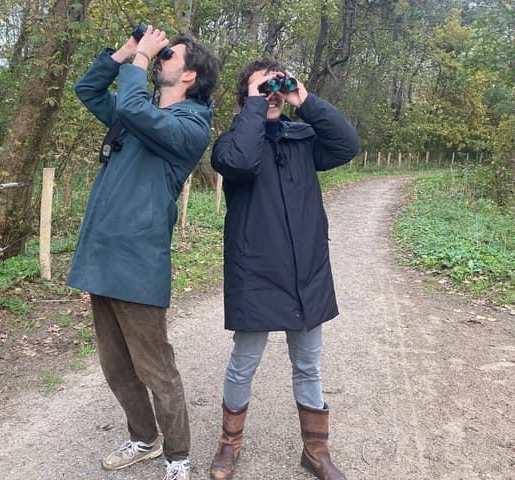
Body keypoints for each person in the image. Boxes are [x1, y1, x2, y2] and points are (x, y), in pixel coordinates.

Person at [66, 24, 219, 480]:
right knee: (115, 365)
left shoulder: (191, 127)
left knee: (156, 368)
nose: (161, 57)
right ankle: (144, 437)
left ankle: (178, 458)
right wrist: (125, 51)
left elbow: (131, 104)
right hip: (101, 255)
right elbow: (88, 88)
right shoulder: (139, 113)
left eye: (170, 55)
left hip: (138, 261)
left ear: (189, 75)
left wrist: (141, 61)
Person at [208, 57, 361, 480]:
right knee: (244, 362)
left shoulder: (303, 139)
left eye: (276, 89)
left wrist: (303, 98)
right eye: (261, 90)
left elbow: (348, 144)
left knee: (309, 365)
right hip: (255, 272)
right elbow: (239, 162)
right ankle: (228, 444)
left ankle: (316, 451)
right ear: (245, 99)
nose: (271, 96)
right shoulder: (229, 144)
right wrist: (255, 107)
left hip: (305, 270)